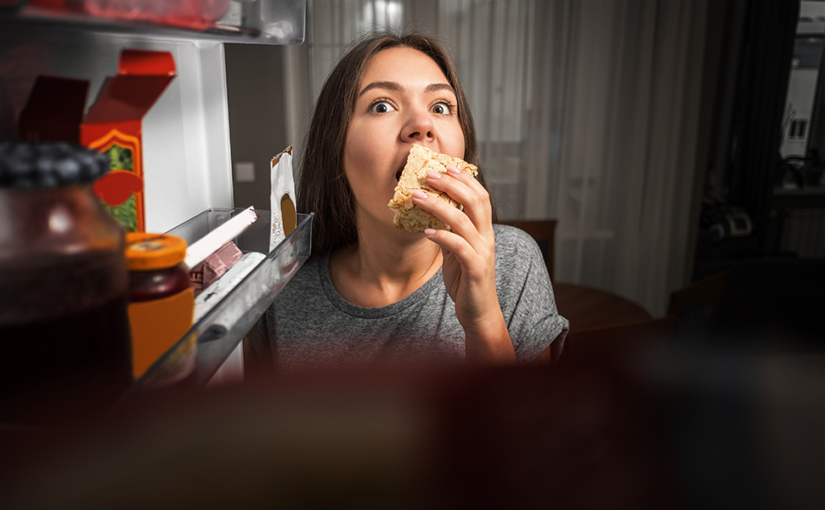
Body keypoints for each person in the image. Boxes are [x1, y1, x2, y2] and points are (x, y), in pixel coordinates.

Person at [264, 32, 567, 371]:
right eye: (382, 105)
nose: (423, 125)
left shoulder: (511, 262)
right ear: (336, 147)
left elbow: (531, 424)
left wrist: (482, 320)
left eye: (440, 107)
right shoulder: (283, 292)